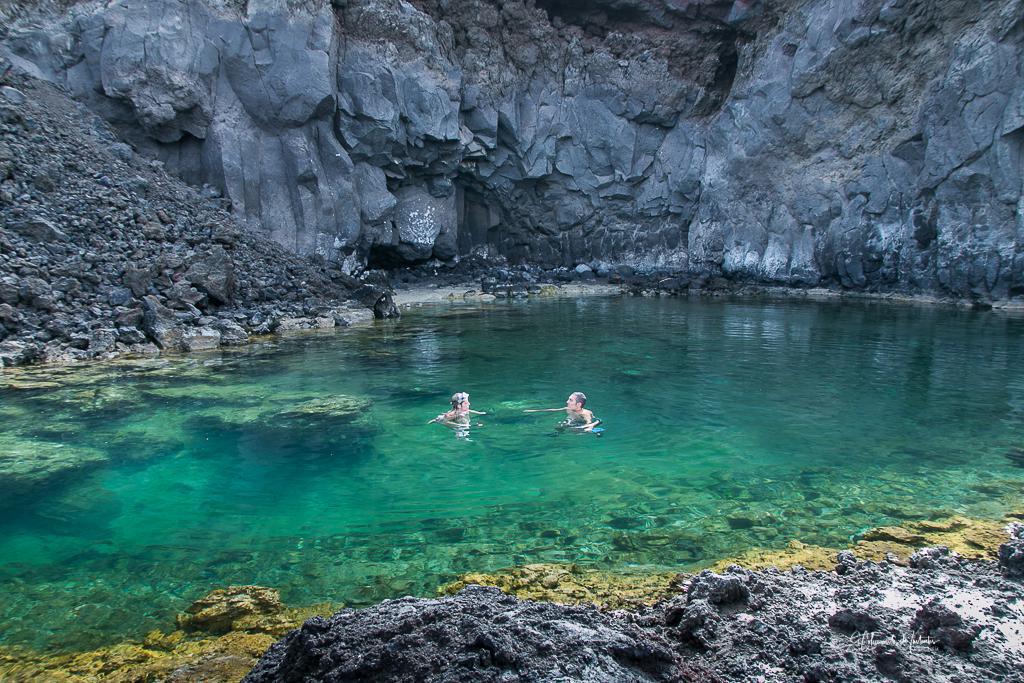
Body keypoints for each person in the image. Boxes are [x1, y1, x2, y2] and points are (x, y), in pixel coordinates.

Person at [524, 391, 601, 432]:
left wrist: (589, 428)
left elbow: (590, 423)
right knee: (560, 425)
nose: (567, 401)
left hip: (580, 425)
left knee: (570, 428)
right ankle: (557, 434)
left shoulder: (586, 413)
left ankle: (597, 432)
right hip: (572, 422)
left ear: (578, 404)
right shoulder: (568, 409)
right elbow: (553, 410)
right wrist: (534, 410)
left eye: (570, 400)